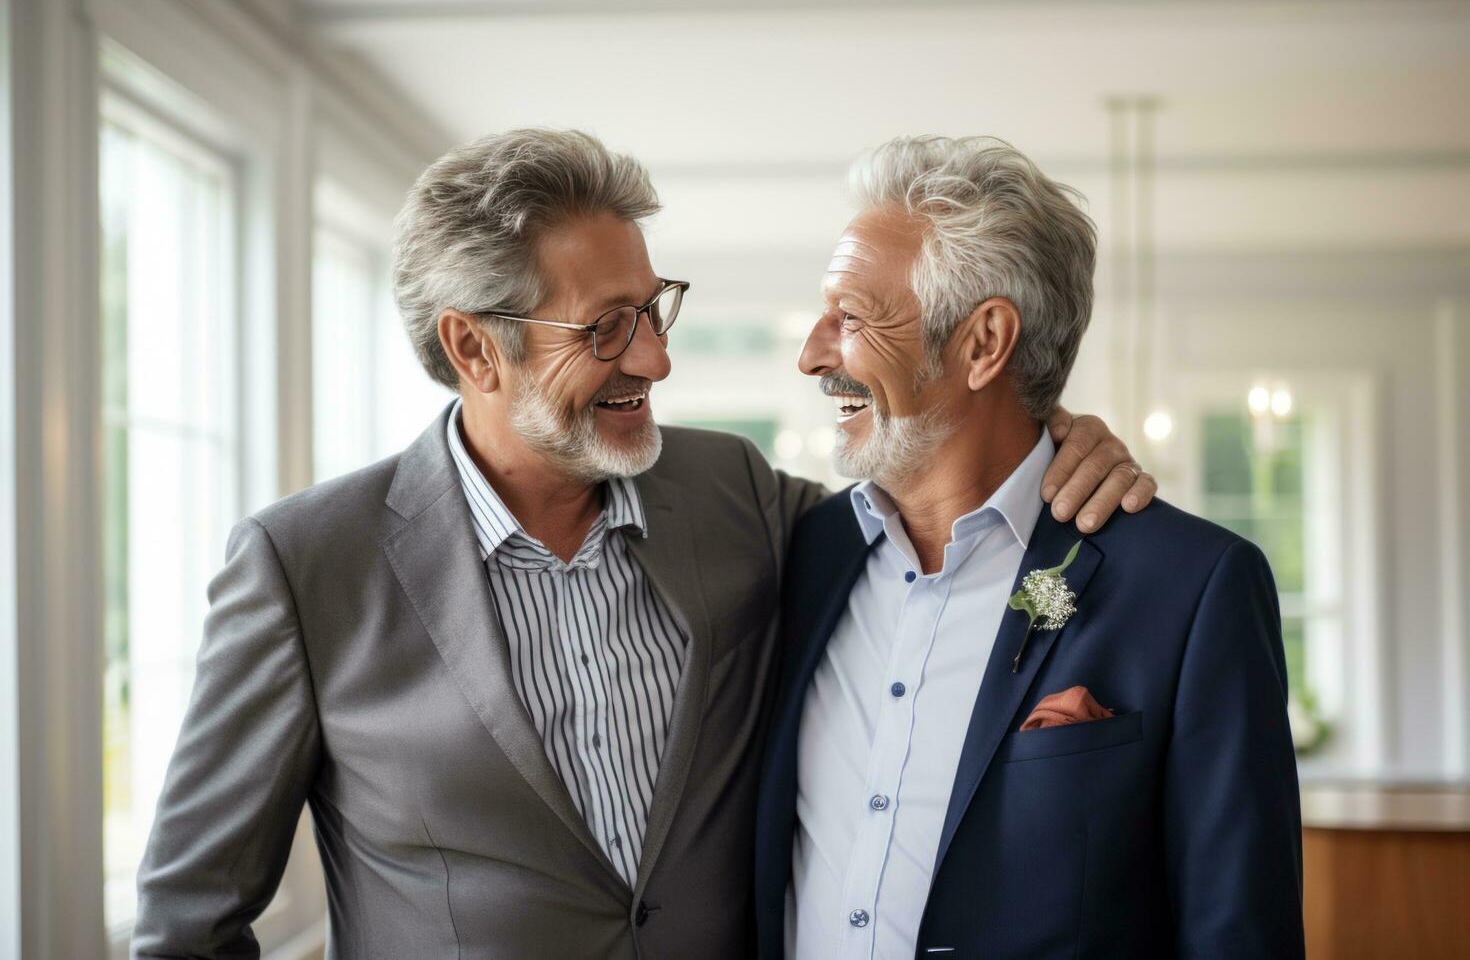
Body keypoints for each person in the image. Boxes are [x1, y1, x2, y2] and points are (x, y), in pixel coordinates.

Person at [131, 129, 1155, 959]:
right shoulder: (306, 565)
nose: (656, 358)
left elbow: (940, 492)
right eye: (607, 327)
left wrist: (1058, 429)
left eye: (654, 309)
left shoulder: (737, 494)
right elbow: (188, 921)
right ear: (473, 345)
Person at [754, 135, 1304, 959]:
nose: (812, 354)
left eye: (852, 319)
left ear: (983, 343)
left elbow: (1240, 934)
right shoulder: (797, 553)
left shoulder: (1191, 588)